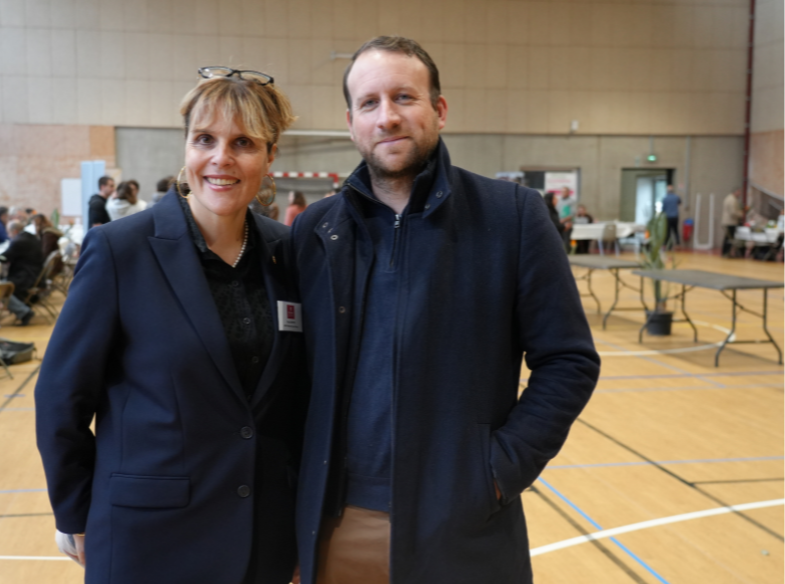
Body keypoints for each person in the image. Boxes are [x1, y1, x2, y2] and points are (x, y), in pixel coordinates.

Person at [290, 36, 600, 584]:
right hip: (337, 525)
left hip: (460, 526)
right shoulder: (316, 230)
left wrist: (496, 473)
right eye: (369, 103)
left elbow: (568, 360)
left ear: (439, 109)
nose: (387, 116)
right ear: (351, 123)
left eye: (404, 97)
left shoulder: (513, 217)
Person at [36, 66, 307, 584]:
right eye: (205, 139)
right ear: (186, 147)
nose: (221, 158)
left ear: (270, 155)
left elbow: (297, 406)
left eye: (243, 142)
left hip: (262, 538)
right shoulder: (120, 250)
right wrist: (74, 513)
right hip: (147, 539)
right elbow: (60, 397)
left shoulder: (288, 253)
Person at [0, 221, 42, 326]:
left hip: (27, 277)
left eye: (9, 232)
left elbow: (4, 257)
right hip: (35, 274)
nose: (8, 235)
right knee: (0, 282)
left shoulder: (19, 241)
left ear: (15, 231)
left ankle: (24, 312)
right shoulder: (31, 237)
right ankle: (23, 308)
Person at [721, 189, 742, 257]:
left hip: (728, 222)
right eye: (739, 192)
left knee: (728, 238)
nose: (740, 194)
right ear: (736, 192)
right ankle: (726, 253)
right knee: (729, 239)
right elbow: (733, 212)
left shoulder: (729, 198)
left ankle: (726, 252)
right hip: (730, 222)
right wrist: (741, 214)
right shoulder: (732, 200)